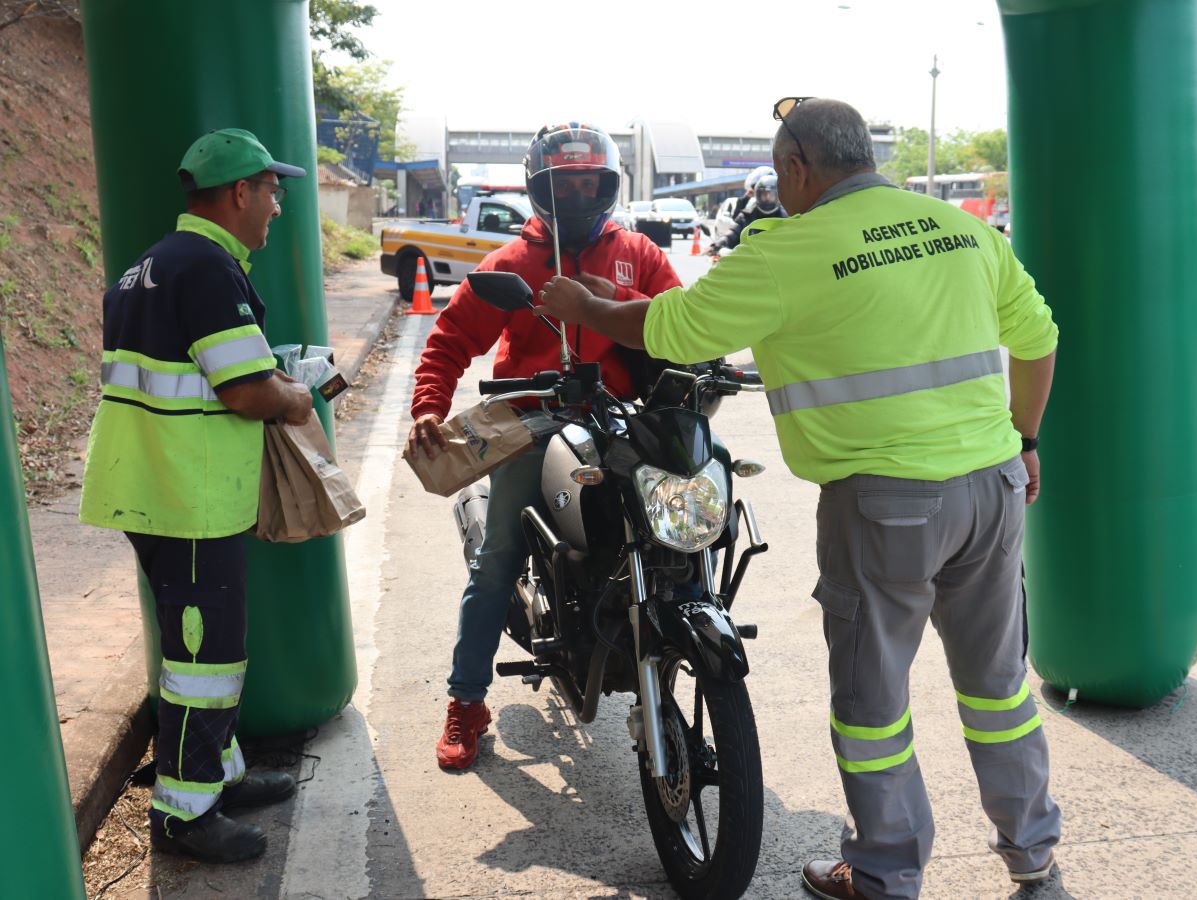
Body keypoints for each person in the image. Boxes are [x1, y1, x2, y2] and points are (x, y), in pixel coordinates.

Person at [538, 98, 1061, 900]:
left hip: (885, 505)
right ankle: (1032, 854)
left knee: (873, 704)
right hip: (991, 492)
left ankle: (884, 871)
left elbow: (672, 330)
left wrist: (588, 308)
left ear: (795, 168)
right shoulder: (962, 229)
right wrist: (1025, 440)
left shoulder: (785, 250)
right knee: (999, 691)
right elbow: (1038, 338)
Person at [406, 122, 683, 770]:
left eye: (591, 180)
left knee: (671, 528)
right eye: (567, 181)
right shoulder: (513, 264)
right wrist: (428, 409)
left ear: (608, 184)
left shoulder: (636, 252)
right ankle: (466, 701)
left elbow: (685, 321)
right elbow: (448, 341)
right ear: (541, 188)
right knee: (499, 554)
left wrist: (609, 298)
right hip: (534, 421)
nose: (581, 192)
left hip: (618, 421)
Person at [79, 128, 314, 864]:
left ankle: (218, 772)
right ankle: (184, 814)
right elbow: (245, 391)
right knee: (204, 661)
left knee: (202, 649)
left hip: (158, 486)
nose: (277, 206)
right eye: (272, 191)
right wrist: (298, 396)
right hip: (187, 498)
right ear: (240, 192)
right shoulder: (208, 269)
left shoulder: (149, 265)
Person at [708, 172, 786, 256]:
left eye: (771, 195)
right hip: (749, 261)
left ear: (777, 196)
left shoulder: (786, 218)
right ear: (757, 194)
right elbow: (733, 233)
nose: (767, 198)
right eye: (764, 194)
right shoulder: (746, 216)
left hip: (777, 262)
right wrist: (718, 244)